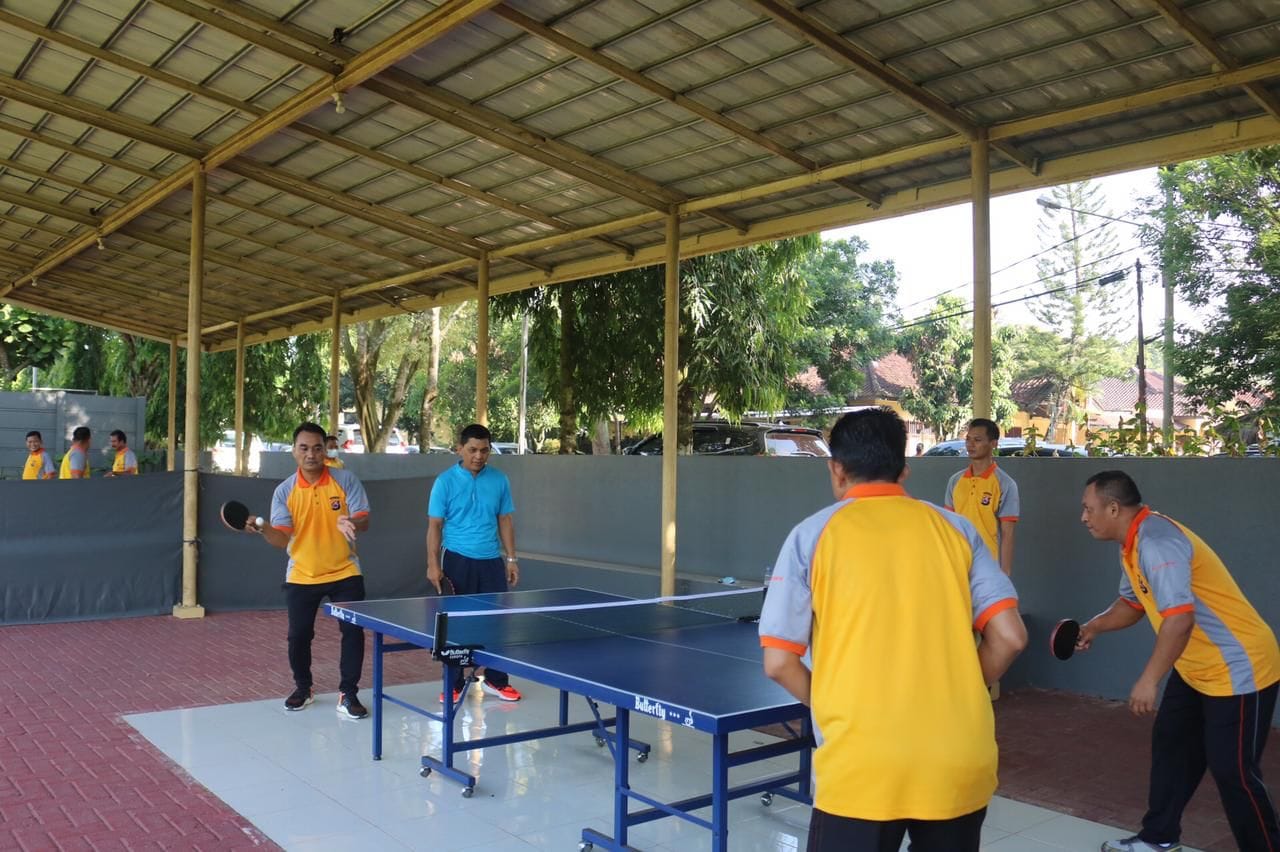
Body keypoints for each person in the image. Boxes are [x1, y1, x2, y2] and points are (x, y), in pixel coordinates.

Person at [760, 407, 1027, 852]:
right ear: (904, 470)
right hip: (958, 757)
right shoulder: (958, 530)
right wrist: (958, 687)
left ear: (836, 469)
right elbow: (1011, 637)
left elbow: (778, 663)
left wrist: (835, 704)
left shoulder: (811, 536)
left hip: (861, 765)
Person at [1076, 470, 1280, 852]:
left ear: (1114, 508)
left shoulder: (1156, 543)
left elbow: (1180, 619)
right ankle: (1159, 837)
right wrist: (1093, 627)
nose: (1084, 517)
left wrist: (1149, 679)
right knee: (1172, 747)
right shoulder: (1132, 544)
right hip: (1195, 666)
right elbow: (1134, 603)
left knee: (1233, 771)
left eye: (1088, 509)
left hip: (1239, 667)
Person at [239, 423, 372, 719]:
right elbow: (281, 539)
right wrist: (262, 528)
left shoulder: (345, 480)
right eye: (304, 448)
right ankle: (303, 688)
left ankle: (349, 693)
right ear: (293, 451)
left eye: (317, 448)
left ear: (325, 451)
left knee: (352, 631)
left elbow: (364, 520)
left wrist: (351, 521)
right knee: (298, 635)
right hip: (302, 573)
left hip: (345, 571)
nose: (311, 454)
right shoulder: (284, 491)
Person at [426, 423, 522, 702]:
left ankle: (496, 679)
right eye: (472, 450)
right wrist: (433, 564)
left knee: (497, 622)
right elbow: (435, 526)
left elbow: (505, 519)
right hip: (457, 559)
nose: (478, 456)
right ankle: (453, 683)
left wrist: (511, 558)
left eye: (484, 450)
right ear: (459, 449)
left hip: (491, 560)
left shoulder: (500, 480)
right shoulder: (445, 481)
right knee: (457, 624)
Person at [945, 418, 1019, 576]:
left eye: (977, 440)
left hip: (988, 567)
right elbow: (948, 526)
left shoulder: (1005, 484)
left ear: (994, 444)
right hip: (958, 564)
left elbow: (1008, 533)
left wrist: (1005, 573)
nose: (970, 444)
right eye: (968, 439)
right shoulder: (955, 481)